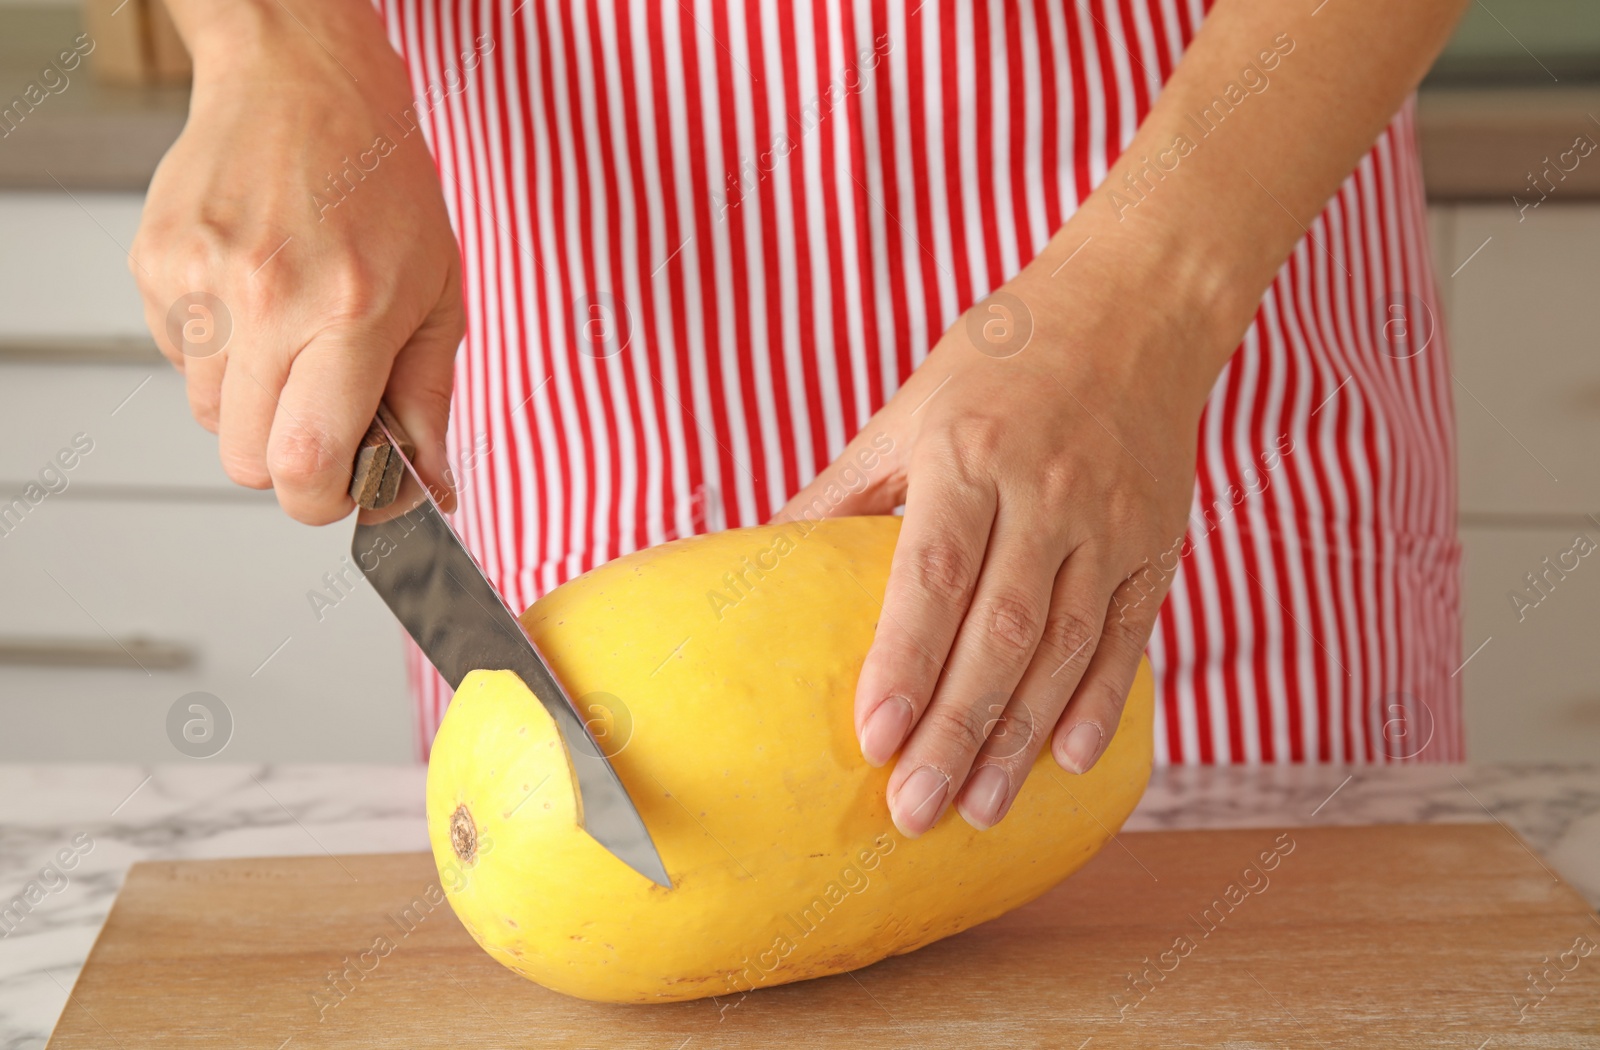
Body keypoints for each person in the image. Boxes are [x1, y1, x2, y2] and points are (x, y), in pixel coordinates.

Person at [133, 0, 1468, 838]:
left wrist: (1151, 295)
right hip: (590, 425)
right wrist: (275, 40)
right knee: (599, 862)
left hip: (1193, 373)